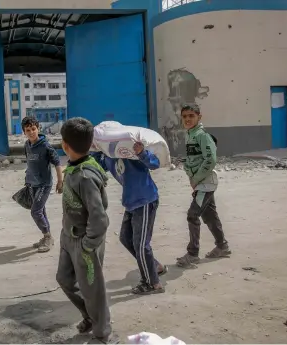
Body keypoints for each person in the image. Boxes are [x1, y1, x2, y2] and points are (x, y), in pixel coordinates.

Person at [56, 117, 114, 344]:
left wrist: (88, 245)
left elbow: (99, 218)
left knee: (93, 290)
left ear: (64, 145)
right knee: (64, 279)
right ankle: (89, 317)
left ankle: (102, 333)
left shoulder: (86, 175)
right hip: (68, 238)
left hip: (85, 242)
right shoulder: (73, 168)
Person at [91, 141, 168, 295]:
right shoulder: (109, 155)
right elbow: (98, 168)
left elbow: (154, 163)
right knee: (126, 238)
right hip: (130, 201)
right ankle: (155, 267)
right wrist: (96, 151)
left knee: (141, 244)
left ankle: (152, 283)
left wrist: (141, 153)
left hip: (145, 200)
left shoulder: (130, 149)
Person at [176, 103, 231, 268]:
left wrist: (197, 179)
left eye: (191, 116)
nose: (187, 119)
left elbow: (210, 160)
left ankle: (193, 253)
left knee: (192, 215)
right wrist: (188, 171)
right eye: (184, 116)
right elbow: (193, 159)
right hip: (200, 183)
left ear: (199, 117)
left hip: (206, 184)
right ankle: (222, 246)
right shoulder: (189, 135)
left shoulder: (202, 135)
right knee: (210, 216)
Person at [22, 116, 63, 253]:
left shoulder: (45, 146)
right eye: (28, 130)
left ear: (38, 128)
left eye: (33, 129)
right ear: (24, 132)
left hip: (44, 184)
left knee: (35, 212)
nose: (31, 132)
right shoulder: (27, 145)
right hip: (32, 184)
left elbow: (57, 163)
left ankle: (48, 237)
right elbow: (30, 163)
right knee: (41, 211)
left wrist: (60, 181)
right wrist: (27, 179)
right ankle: (46, 237)